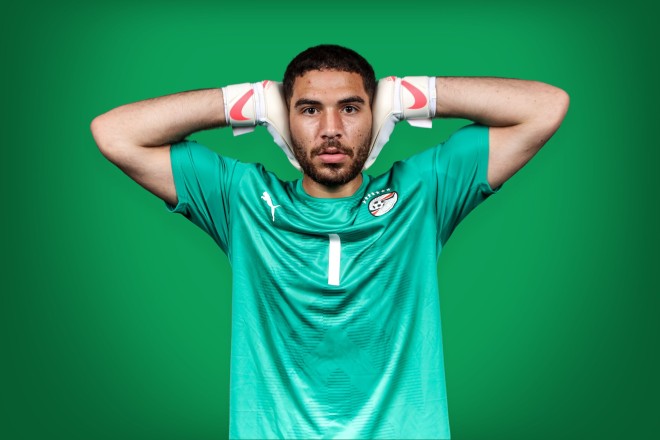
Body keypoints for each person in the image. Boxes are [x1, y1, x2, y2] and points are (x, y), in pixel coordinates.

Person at [91, 44, 569, 439]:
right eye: (308, 110)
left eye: (351, 108)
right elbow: (114, 134)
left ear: (376, 115)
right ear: (285, 120)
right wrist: (249, 102)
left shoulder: (424, 192)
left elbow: (545, 107)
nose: (331, 130)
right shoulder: (241, 199)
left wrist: (411, 95)